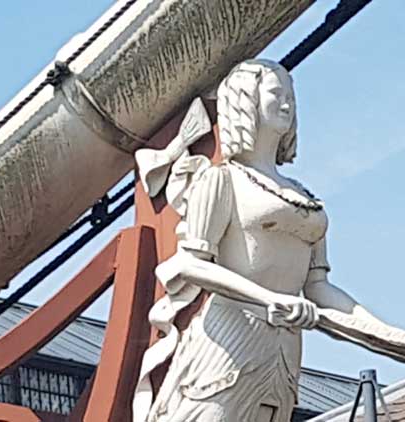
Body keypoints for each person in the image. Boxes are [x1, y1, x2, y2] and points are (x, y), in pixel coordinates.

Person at [133, 59, 388, 422]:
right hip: (230, 338)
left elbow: (317, 288)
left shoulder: (305, 196)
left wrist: (380, 332)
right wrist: (269, 298)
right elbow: (190, 263)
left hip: (283, 346)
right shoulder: (221, 181)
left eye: (291, 96)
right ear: (245, 100)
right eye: (275, 94)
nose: (287, 103)